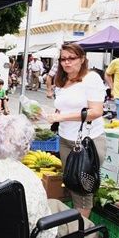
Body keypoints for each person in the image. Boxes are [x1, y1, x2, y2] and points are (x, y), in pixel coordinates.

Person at [0, 115, 100, 238]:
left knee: (55, 204)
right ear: (25, 146)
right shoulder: (28, 180)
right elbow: (38, 231)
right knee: (88, 228)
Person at [47, 43, 106, 218]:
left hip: (87, 142)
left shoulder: (91, 78)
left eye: (71, 58)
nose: (67, 63)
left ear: (82, 59)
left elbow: (96, 112)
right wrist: (51, 115)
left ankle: (82, 234)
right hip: (65, 139)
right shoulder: (62, 80)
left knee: (83, 189)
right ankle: (75, 223)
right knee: (73, 184)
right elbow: (64, 109)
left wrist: (62, 117)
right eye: (63, 59)